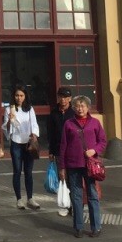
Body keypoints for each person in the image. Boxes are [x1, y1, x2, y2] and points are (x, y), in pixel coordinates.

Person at [58, 94, 105, 238]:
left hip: (90, 165)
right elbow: (63, 146)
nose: (80, 108)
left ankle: (96, 227)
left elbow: (102, 141)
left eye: (82, 105)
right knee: (77, 196)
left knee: (92, 195)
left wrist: (94, 150)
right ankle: (78, 227)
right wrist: (62, 167)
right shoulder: (69, 124)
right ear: (73, 108)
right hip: (73, 164)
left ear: (88, 107)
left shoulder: (95, 123)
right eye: (77, 106)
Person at [2, 85, 41, 210]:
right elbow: (6, 129)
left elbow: (34, 124)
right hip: (16, 142)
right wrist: (9, 121)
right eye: (17, 95)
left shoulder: (29, 109)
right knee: (17, 171)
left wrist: (34, 134)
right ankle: (19, 199)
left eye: (21, 95)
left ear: (25, 96)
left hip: (28, 142)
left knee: (28, 172)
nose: (19, 98)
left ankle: (30, 197)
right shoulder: (9, 109)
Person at [46, 87, 75, 217]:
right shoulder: (54, 113)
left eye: (65, 97)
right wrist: (51, 151)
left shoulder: (73, 113)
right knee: (62, 178)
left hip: (73, 151)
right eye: (60, 97)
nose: (63, 100)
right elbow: (51, 133)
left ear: (70, 98)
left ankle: (75, 205)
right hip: (58, 150)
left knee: (73, 179)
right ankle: (65, 205)